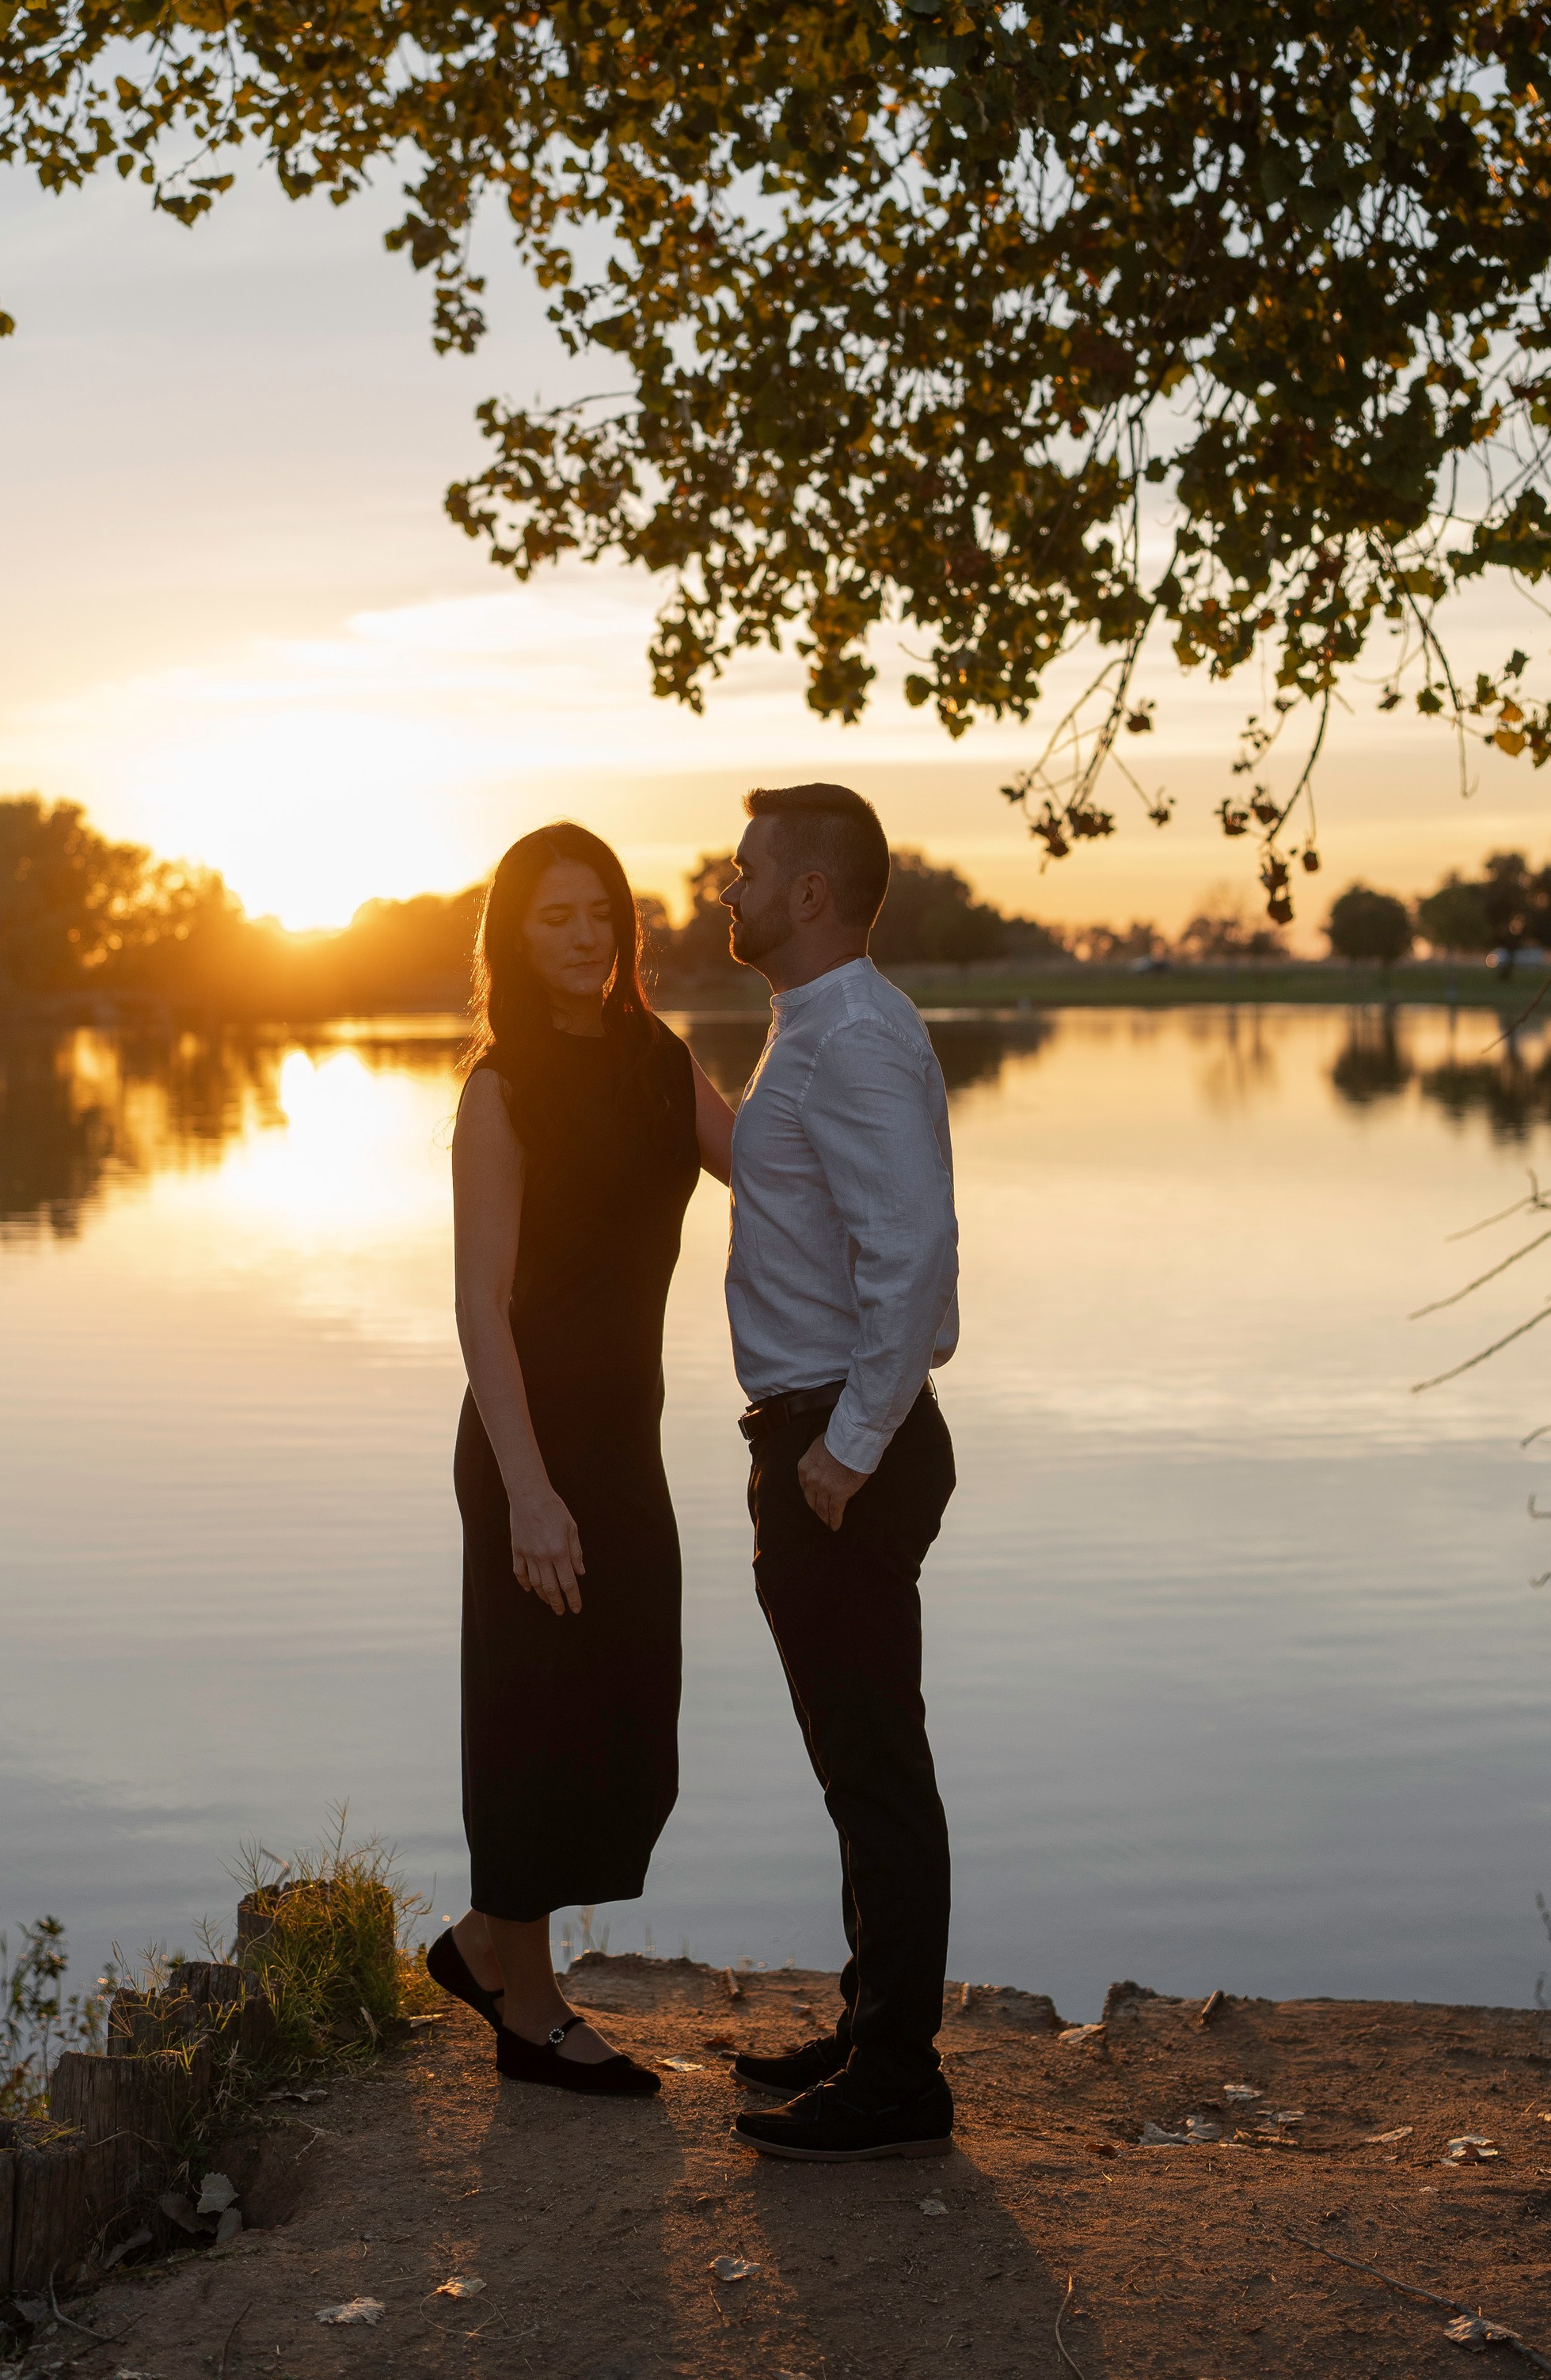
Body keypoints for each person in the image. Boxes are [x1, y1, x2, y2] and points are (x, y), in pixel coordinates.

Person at [429, 822, 735, 2094]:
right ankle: (531, 2013)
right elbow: (478, 1307)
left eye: (601, 912)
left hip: (629, 1439)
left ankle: (476, 1944)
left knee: (627, 1712)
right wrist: (530, 1492)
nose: (586, 934)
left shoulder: (659, 1061)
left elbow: (757, 1164)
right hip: (529, 1447)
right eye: (556, 915)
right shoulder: (499, 1092)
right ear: (513, 933)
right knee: (531, 1723)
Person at [719, 784, 961, 2162]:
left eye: (746, 868)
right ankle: (878, 2031)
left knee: (875, 1766)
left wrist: (847, 1450)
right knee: (858, 1762)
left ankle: (898, 2084)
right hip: (820, 1433)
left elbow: (912, 1256)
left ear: (810, 893)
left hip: (839, 1447)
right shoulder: (819, 1025)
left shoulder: (854, 1034)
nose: (727, 888)